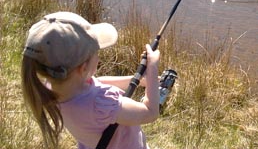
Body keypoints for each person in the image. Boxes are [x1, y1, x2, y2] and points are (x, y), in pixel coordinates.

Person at [21, 11, 160, 149]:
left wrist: (139, 80)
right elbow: (150, 112)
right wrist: (152, 67)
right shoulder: (102, 105)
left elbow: (97, 82)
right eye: (96, 52)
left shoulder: (50, 88)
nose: (98, 57)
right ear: (83, 68)